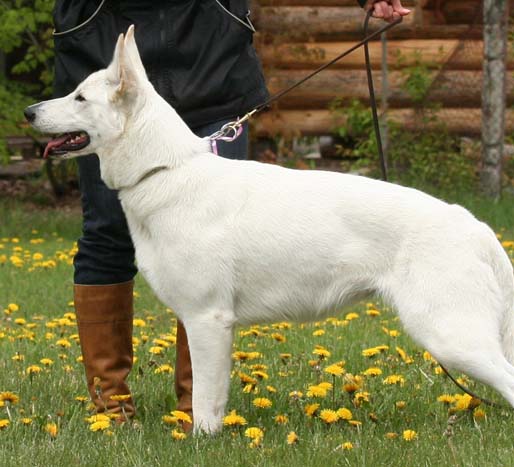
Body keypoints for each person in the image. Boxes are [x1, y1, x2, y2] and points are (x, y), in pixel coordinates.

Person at [52, 0, 409, 429]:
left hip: (210, 63)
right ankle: (109, 406)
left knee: (209, 260)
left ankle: (195, 410)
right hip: (101, 41)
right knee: (108, 231)